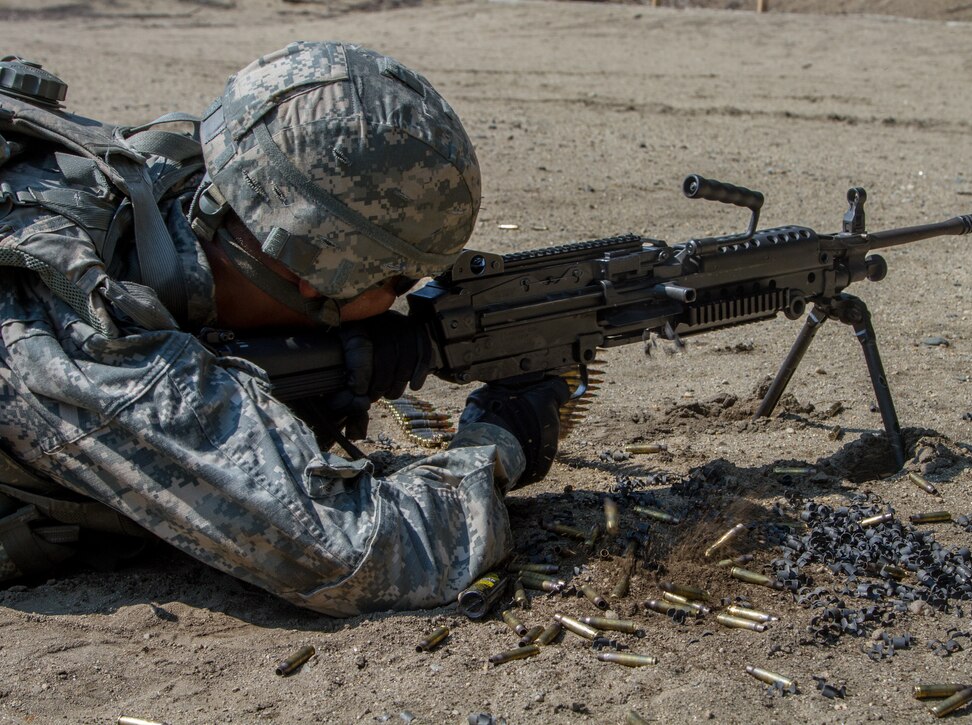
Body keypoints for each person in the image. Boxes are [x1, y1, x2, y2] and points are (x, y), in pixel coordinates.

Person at [0, 42, 568, 615]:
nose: (402, 299)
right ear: (317, 278)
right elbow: (369, 555)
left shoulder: (158, 172)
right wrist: (501, 439)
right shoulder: (97, 339)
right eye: (398, 284)